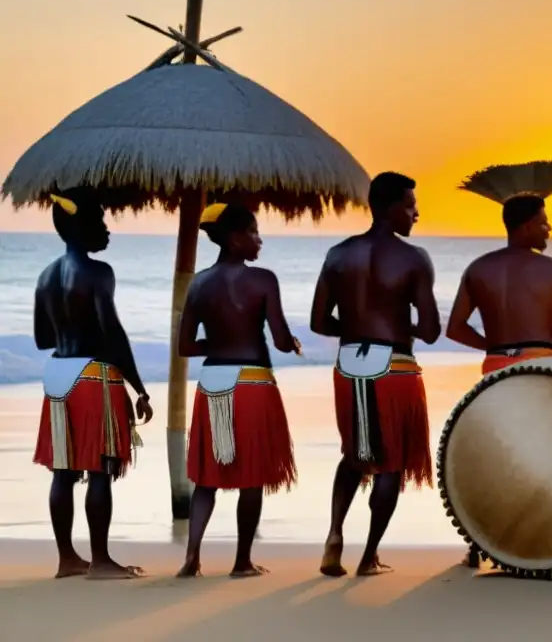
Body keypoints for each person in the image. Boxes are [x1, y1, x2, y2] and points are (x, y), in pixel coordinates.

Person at [446, 160, 552, 569]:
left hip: (494, 367)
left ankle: (477, 541)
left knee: (498, 453)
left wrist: (494, 344)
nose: (549, 230)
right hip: (539, 366)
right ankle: (548, 540)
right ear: (525, 226)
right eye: (544, 222)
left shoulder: (479, 268)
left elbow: (455, 328)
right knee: (546, 454)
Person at [311, 171, 441, 578]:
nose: (416, 214)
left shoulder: (337, 254)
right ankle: (368, 556)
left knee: (353, 453)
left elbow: (319, 321)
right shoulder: (413, 258)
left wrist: (356, 329)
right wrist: (398, 327)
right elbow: (433, 329)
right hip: (395, 366)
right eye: (409, 205)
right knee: (391, 463)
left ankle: (334, 534)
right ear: (388, 208)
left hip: (349, 363)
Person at [33, 188, 153, 580]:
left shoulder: (46, 275)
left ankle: (67, 559)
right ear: (79, 226)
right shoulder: (99, 272)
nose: (107, 229)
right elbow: (113, 332)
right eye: (99, 220)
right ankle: (100, 561)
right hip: (92, 377)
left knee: (63, 471)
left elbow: (41, 339)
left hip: (56, 376)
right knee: (100, 468)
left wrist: (70, 327)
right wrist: (139, 387)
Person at [176, 202, 300, 579]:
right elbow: (278, 340)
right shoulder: (263, 280)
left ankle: (191, 557)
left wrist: (222, 344)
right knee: (252, 476)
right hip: (252, 384)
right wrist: (291, 341)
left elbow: (186, 346)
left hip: (212, 383)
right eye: (254, 232)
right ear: (234, 239)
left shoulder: (198, 282)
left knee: (205, 478)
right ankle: (242, 561)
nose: (259, 240)